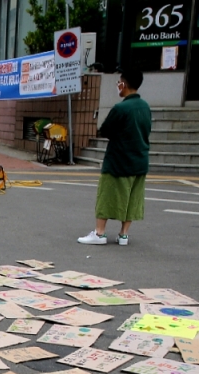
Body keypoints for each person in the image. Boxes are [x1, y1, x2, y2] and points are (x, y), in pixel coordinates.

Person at [79, 68, 151, 247]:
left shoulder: (121, 108)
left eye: (119, 82)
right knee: (132, 199)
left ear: (124, 84)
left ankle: (100, 232)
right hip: (140, 159)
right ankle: (123, 234)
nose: (118, 85)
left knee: (107, 195)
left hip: (118, 160)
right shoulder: (145, 107)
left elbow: (105, 130)